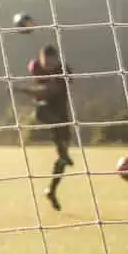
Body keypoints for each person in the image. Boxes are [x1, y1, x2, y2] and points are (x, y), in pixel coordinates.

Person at [19, 44, 74, 211]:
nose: (48, 66)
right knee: (42, 110)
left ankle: (51, 190)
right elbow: (41, 94)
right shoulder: (35, 67)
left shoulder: (63, 71)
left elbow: (48, 91)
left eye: (52, 63)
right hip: (45, 110)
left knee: (63, 160)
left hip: (61, 113)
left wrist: (23, 90)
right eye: (46, 63)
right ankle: (61, 150)